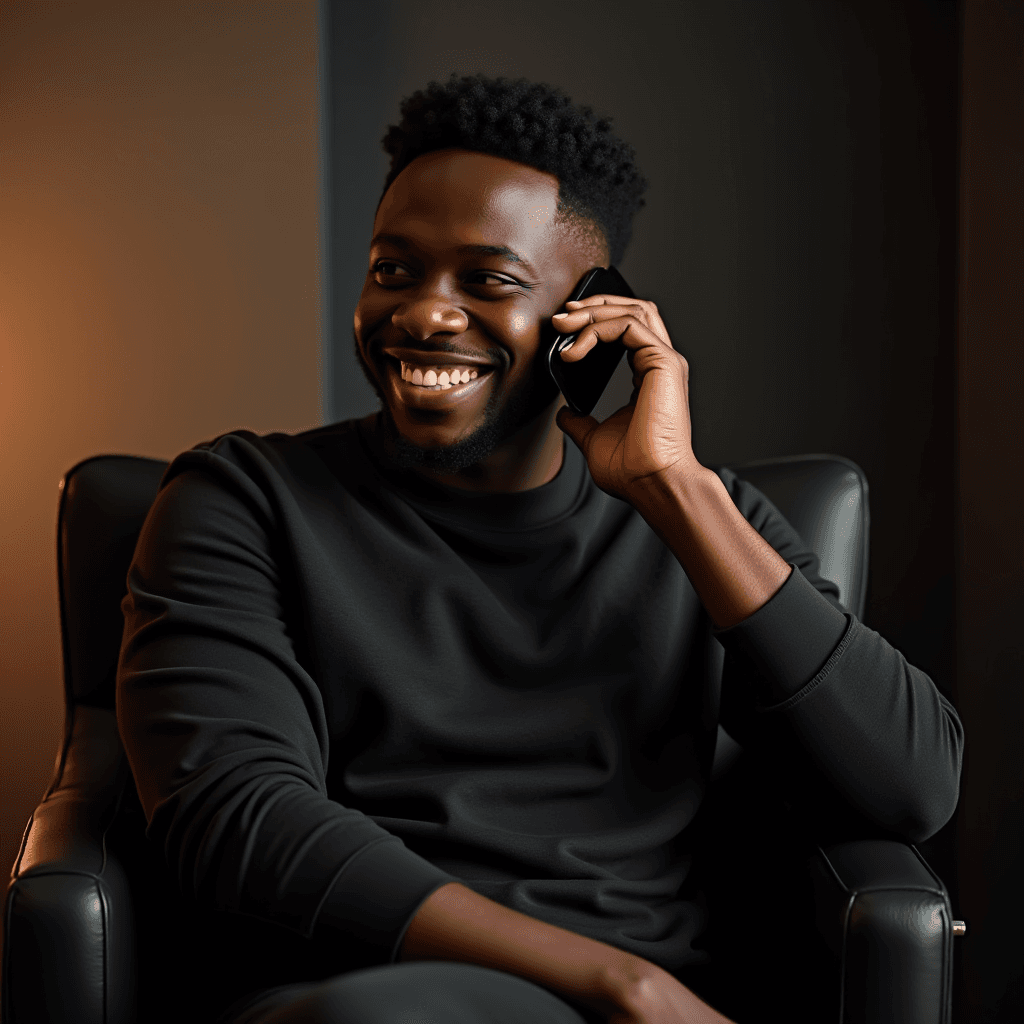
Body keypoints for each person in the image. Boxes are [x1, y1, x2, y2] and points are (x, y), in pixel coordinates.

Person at [116, 73, 964, 1024]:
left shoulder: (705, 523)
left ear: (590, 318)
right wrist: (616, 981)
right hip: (367, 995)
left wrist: (677, 493)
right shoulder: (242, 501)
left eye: (489, 281)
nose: (426, 314)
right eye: (394, 270)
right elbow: (234, 817)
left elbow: (912, 788)